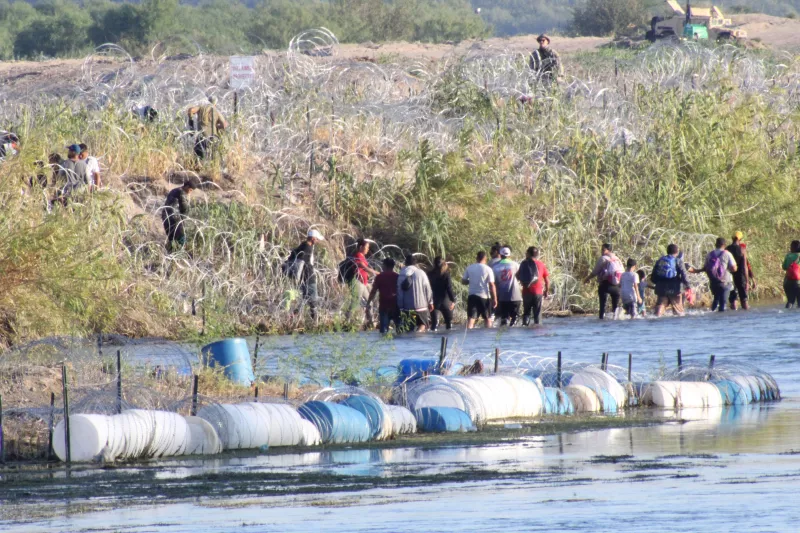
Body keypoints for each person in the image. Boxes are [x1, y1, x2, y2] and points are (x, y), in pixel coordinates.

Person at [286, 229, 325, 320]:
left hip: (302, 277)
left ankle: (293, 315)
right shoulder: (308, 247)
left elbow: (292, 257)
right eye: (317, 239)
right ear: (312, 238)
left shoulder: (302, 246)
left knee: (305, 298)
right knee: (313, 299)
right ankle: (315, 321)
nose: (318, 241)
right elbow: (303, 261)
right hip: (308, 276)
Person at [584, 243, 623, 320]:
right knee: (615, 307)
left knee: (602, 304)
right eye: (601, 249)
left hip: (605, 285)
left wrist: (587, 278)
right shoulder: (618, 259)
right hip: (616, 286)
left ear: (609, 250)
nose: (601, 251)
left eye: (603, 249)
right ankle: (616, 322)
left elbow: (595, 272)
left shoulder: (603, 258)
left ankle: (601, 319)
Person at [699, 237, 738, 312]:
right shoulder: (727, 254)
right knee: (723, 303)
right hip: (725, 282)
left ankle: (712, 314)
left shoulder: (710, 254)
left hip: (713, 282)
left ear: (715, 244)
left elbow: (706, 268)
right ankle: (721, 321)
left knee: (716, 300)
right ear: (724, 245)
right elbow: (734, 268)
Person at [652, 244, 691, 317]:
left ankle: (656, 318)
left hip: (661, 288)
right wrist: (688, 286)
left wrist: (657, 284)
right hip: (675, 289)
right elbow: (684, 274)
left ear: (667, 251)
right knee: (679, 312)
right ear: (677, 252)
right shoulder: (678, 261)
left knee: (659, 309)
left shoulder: (660, 260)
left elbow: (653, 277)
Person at [397, 255, 434, 333]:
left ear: (406, 263)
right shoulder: (421, 273)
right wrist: (430, 302)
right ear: (415, 263)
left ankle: (412, 339)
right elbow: (428, 288)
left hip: (407, 307)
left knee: (409, 328)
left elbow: (399, 291)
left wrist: (400, 306)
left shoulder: (402, 273)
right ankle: (419, 333)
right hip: (421, 307)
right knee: (423, 324)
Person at [345, 238, 377, 327]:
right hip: (358, 282)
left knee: (369, 302)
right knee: (355, 301)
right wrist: (377, 273)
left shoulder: (362, 256)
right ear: (361, 247)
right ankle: (347, 320)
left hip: (363, 283)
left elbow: (364, 270)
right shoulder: (358, 255)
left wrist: (368, 278)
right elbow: (364, 267)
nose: (368, 249)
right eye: (366, 247)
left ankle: (370, 322)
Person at [161, 176, 199, 252]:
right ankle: (176, 256)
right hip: (174, 219)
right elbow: (184, 209)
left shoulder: (174, 190)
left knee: (172, 239)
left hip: (165, 217)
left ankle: (169, 256)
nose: (190, 192)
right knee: (182, 238)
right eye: (190, 190)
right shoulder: (182, 193)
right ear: (187, 187)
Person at [462, 251, 497, 329]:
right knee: (487, 319)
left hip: (472, 295)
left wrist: (470, 281)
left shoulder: (470, 267)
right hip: (484, 296)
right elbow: (492, 285)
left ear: (477, 258)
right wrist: (495, 299)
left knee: (471, 318)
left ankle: (468, 335)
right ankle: (488, 336)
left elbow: (463, 281)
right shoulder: (488, 269)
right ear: (485, 258)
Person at [517, 246, 550, 326]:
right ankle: (537, 328)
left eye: (526, 252)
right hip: (538, 292)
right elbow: (547, 280)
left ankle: (525, 326)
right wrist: (546, 291)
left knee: (526, 312)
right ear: (537, 254)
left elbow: (518, 276)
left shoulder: (524, 264)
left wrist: (522, 282)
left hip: (526, 292)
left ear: (528, 253)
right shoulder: (541, 264)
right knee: (537, 313)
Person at [492, 247, 523, 326]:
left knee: (504, 319)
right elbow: (520, 276)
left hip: (502, 296)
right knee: (515, 319)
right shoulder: (515, 265)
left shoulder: (495, 267)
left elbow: (494, 283)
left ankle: (504, 335)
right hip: (515, 296)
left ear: (500, 255)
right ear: (509, 255)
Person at [368, 258, 400, 334]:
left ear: (385, 266)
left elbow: (373, 291)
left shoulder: (379, 277)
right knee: (400, 330)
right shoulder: (397, 276)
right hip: (396, 305)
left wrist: (368, 302)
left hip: (384, 306)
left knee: (383, 332)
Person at [727, 231, 755, 310]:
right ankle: (744, 318)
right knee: (744, 299)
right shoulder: (742, 250)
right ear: (740, 239)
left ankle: (734, 315)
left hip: (730, 276)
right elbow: (745, 267)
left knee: (733, 298)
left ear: (732, 238)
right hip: (740, 276)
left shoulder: (727, 249)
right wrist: (747, 281)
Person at [428, 257, 456, 331]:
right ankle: (447, 340)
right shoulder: (446, 275)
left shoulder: (430, 274)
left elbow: (427, 288)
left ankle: (434, 340)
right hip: (445, 301)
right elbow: (449, 288)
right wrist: (453, 300)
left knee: (434, 324)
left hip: (434, 301)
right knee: (449, 324)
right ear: (444, 264)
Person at [782, 240, 800, 309]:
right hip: (798, 283)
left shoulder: (788, 256)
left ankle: (786, 313)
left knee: (790, 301)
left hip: (787, 282)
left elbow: (784, 267)